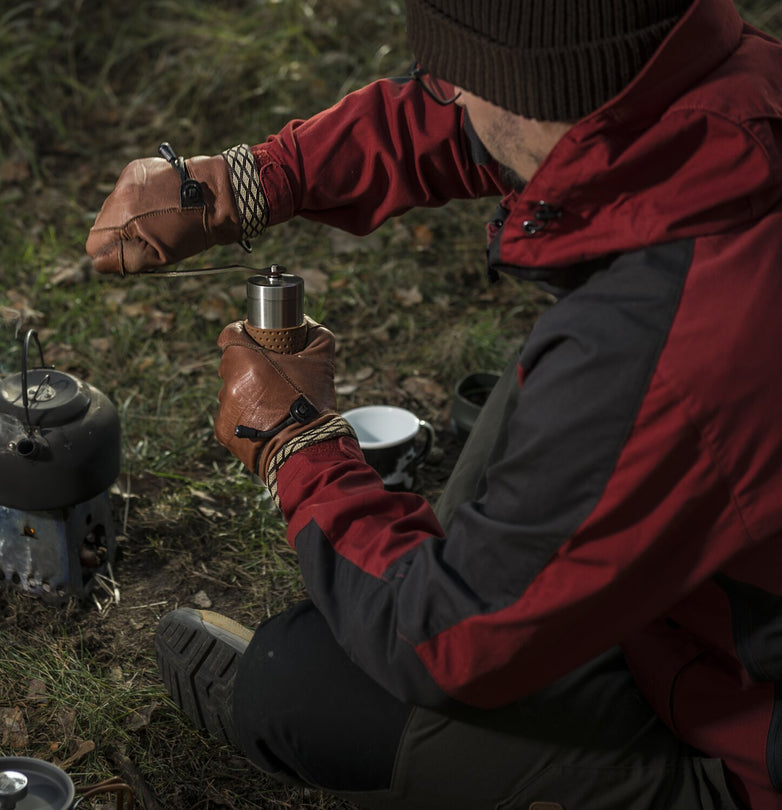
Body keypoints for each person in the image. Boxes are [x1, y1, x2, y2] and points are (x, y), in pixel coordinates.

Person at [85, 0, 782, 807]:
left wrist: (297, 443)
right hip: (703, 603)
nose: (442, 94)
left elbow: (442, 645)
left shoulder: (654, 350)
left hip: (747, 747)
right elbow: (472, 128)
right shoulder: (732, 94)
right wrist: (244, 181)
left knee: (305, 688)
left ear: (535, 84)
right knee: (543, 408)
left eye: (460, 78)